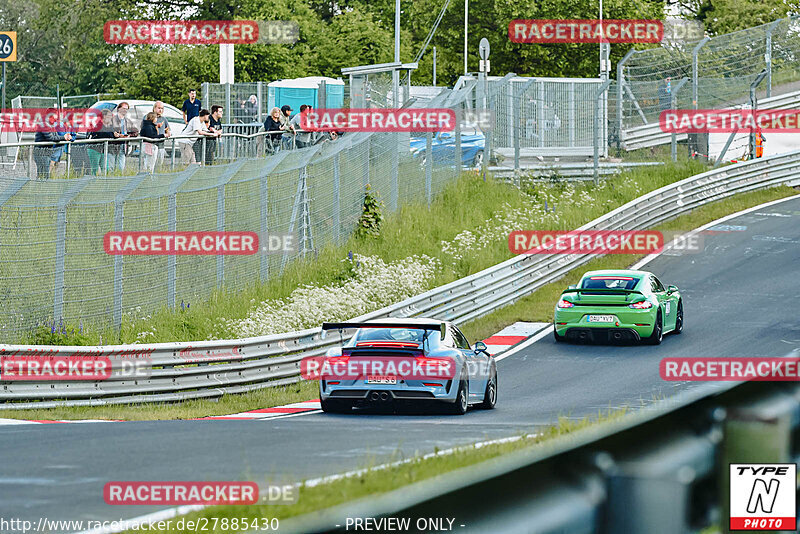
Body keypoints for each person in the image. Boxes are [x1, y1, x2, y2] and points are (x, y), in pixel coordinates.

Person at [33, 109, 73, 180]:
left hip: (46, 152)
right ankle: (40, 188)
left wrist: (65, 137)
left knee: (44, 173)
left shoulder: (50, 125)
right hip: (41, 152)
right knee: (43, 173)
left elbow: (56, 136)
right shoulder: (44, 124)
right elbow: (51, 137)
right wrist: (64, 137)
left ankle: (41, 187)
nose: (57, 118)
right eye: (56, 116)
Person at [111, 102, 139, 173]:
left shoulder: (127, 121)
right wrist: (115, 134)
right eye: (123, 108)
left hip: (123, 145)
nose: (125, 110)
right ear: (118, 109)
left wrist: (129, 136)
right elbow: (108, 130)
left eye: (126, 109)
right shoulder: (112, 119)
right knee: (111, 167)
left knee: (121, 167)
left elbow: (136, 132)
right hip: (112, 146)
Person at [87, 109, 117, 175]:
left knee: (106, 168)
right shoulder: (99, 125)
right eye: (109, 116)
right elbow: (105, 134)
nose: (111, 118)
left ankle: (105, 182)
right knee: (94, 169)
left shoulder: (109, 126)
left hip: (103, 150)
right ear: (104, 116)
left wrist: (116, 134)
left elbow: (111, 134)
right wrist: (113, 134)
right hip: (94, 149)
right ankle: (92, 182)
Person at [152, 101, 171, 172]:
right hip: (152, 143)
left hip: (161, 144)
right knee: (151, 164)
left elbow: (167, 129)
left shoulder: (164, 119)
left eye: (162, 108)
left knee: (159, 163)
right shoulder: (149, 117)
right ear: (154, 108)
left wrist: (168, 133)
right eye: (159, 108)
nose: (161, 110)